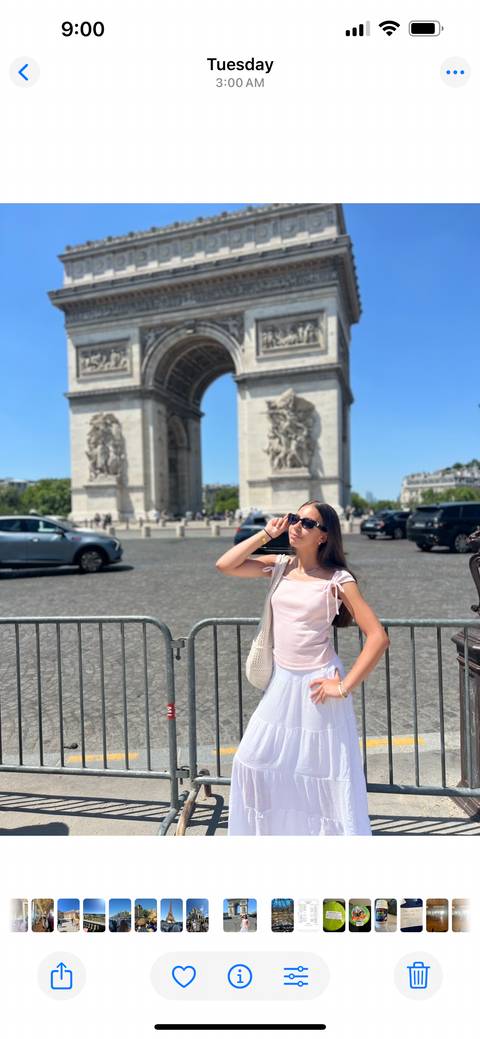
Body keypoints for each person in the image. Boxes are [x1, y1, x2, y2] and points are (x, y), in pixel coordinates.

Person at [215, 501, 389, 837]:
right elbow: (225, 565)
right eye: (295, 519)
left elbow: (378, 636)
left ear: (324, 537)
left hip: (318, 683)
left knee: (318, 772)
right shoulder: (279, 565)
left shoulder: (338, 580)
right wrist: (267, 533)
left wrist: (344, 686)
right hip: (282, 681)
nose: (297, 526)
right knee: (249, 761)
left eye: (307, 524)